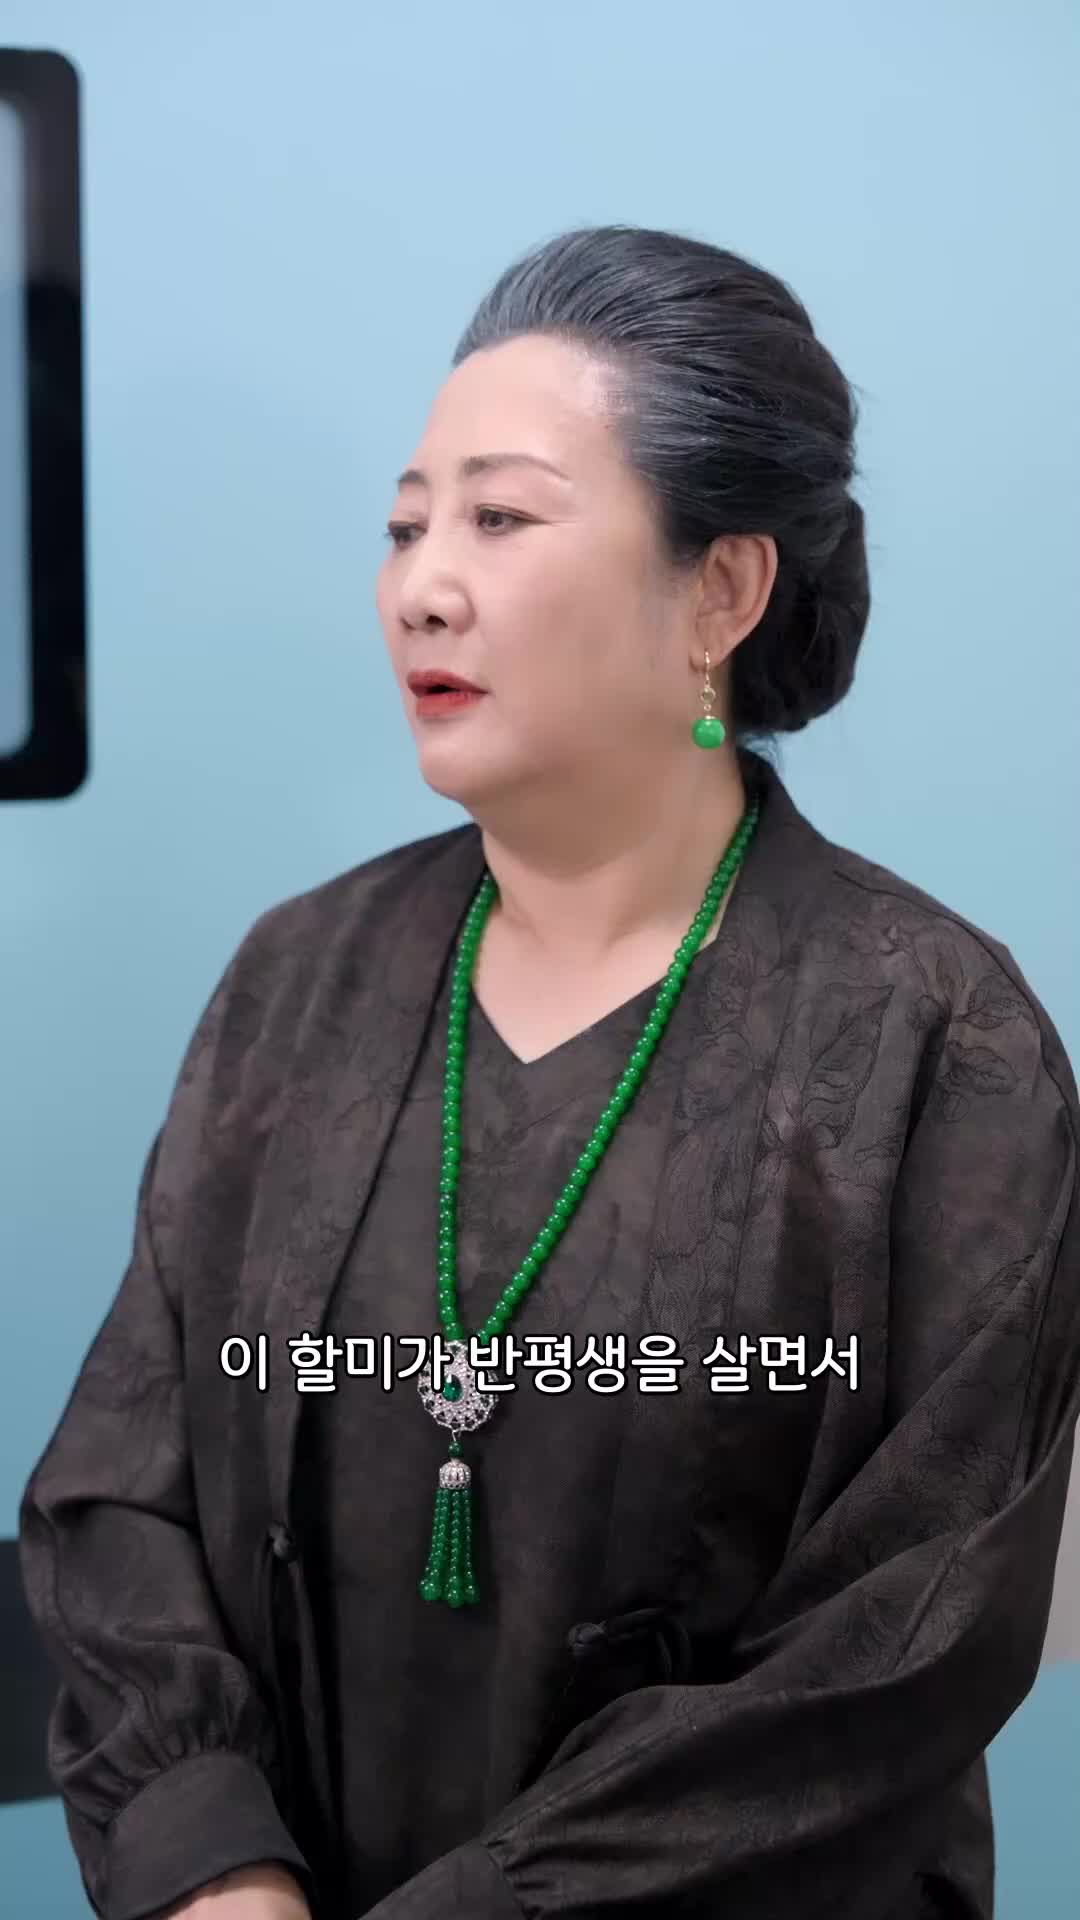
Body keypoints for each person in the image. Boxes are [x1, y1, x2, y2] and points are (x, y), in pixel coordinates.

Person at [18, 223, 1080, 1920]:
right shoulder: (301, 980)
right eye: (405, 525)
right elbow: (113, 1498)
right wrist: (218, 1872)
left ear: (720, 593)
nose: (421, 586)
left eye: (501, 519)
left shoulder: (939, 1040)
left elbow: (897, 1649)